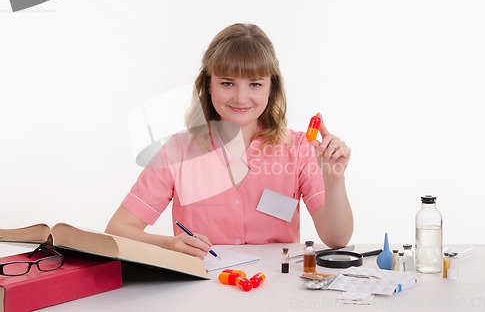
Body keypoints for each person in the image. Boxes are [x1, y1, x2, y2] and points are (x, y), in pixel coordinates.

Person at [106, 23, 353, 258]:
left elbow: (337, 239)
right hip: (201, 292)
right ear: (209, 85)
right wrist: (169, 245)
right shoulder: (178, 151)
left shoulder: (299, 149)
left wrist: (334, 179)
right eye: (227, 83)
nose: (241, 97)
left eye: (255, 84)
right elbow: (118, 230)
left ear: (271, 88)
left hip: (275, 291)